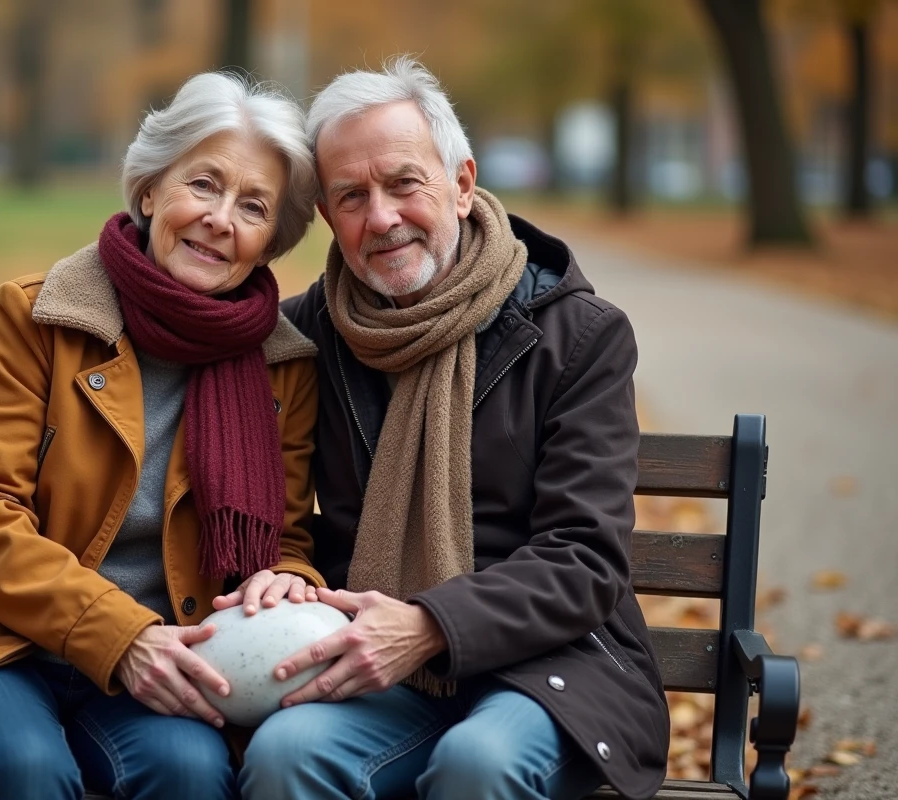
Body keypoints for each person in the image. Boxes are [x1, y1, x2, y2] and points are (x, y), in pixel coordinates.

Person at [0, 72, 325, 800]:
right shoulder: (40, 317)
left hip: (166, 659)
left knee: (189, 773)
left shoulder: (282, 367)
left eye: (253, 206)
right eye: (204, 184)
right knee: (26, 771)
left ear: (271, 241)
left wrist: (292, 579)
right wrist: (118, 637)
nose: (221, 218)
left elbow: (284, 543)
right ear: (151, 189)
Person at [240, 57, 670, 800]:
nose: (381, 218)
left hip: (555, 667)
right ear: (327, 216)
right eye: (351, 196)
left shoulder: (579, 336)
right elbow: (274, 520)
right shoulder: (301, 338)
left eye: (405, 182)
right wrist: (292, 575)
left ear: (462, 183)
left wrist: (430, 625)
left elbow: (585, 558)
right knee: (284, 753)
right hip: (371, 663)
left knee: (480, 762)